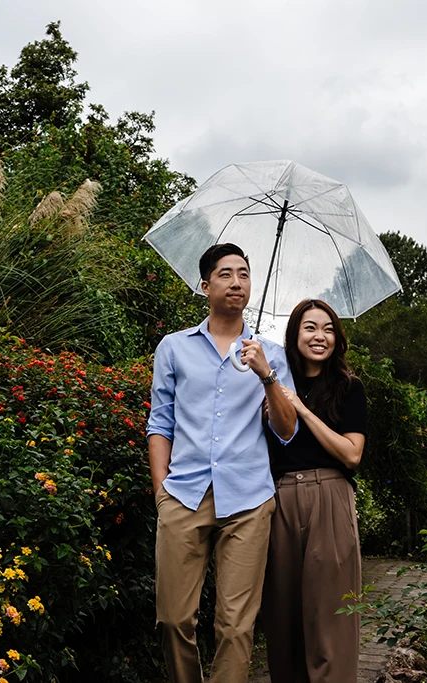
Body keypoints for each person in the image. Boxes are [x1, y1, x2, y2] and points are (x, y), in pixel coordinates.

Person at [147, 243, 298, 683]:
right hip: (184, 496)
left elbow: (286, 430)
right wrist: (162, 492)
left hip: (249, 500)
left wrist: (266, 375)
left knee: (236, 626)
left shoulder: (269, 354)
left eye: (245, 274)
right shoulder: (174, 348)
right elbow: (160, 423)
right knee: (173, 619)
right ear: (205, 284)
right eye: (227, 274)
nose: (237, 282)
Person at [261, 298, 367, 683]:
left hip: (330, 496)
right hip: (279, 499)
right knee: (282, 616)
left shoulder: (348, 388)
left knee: (331, 616)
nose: (319, 336)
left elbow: (352, 454)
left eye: (328, 329)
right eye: (310, 327)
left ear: (337, 339)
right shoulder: (272, 380)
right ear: (294, 334)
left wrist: (305, 412)